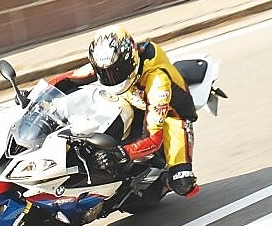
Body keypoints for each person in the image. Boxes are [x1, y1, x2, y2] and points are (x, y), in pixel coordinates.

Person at [61, 26, 199, 197]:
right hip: (133, 101)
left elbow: (153, 138)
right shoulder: (109, 61)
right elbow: (70, 79)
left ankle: (163, 181)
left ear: (130, 60)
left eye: (116, 71)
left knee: (182, 183)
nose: (111, 76)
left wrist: (119, 154)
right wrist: (36, 93)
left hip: (171, 115)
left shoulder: (157, 80)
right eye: (105, 72)